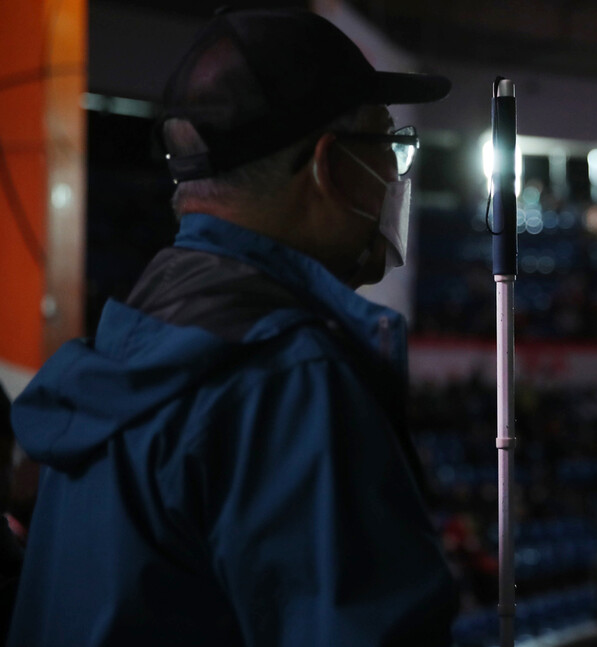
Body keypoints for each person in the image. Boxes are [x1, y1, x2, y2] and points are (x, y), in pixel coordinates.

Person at [8, 8, 457, 646]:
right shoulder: (290, 383)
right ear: (329, 167)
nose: (395, 171)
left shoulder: (117, 346)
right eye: (388, 141)